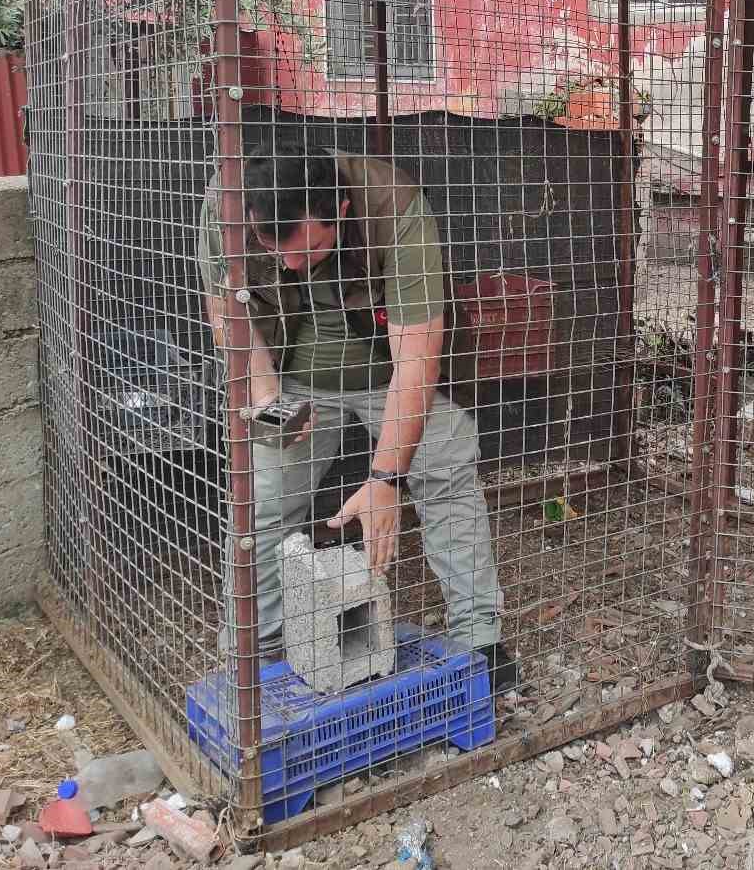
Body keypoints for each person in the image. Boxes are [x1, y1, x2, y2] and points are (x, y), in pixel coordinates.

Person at [196, 132, 516, 693]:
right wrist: (272, 404)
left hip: (384, 375)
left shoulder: (394, 206)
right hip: (292, 376)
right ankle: (258, 654)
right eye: (275, 250)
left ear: (339, 212)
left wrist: (385, 477)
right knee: (264, 495)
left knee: (445, 463)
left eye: (308, 250)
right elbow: (234, 326)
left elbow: (417, 359)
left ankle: (480, 640)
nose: (290, 265)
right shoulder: (225, 208)